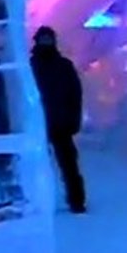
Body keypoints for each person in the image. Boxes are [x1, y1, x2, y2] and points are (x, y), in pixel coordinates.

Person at [30, 26, 87, 213]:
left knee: (69, 165)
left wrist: (74, 119)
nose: (46, 43)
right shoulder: (30, 66)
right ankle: (34, 202)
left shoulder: (63, 66)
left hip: (60, 123)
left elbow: (75, 94)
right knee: (35, 167)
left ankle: (76, 200)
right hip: (38, 124)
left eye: (48, 39)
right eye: (43, 40)